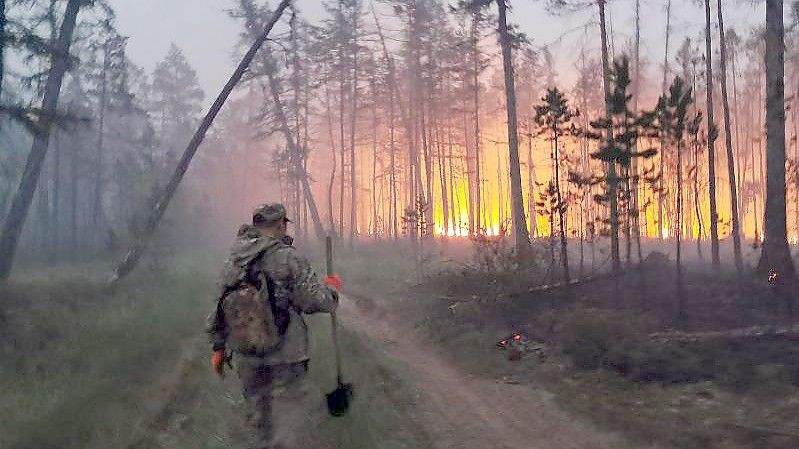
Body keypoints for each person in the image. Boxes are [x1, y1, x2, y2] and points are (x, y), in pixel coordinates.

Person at [206, 203, 341, 449]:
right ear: (280, 224)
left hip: (247, 352)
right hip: (287, 353)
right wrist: (331, 291)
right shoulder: (287, 256)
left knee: (258, 420)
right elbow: (312, 300)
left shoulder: (234, 258)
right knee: (289, 419)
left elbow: (219, 304)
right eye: (283, 225)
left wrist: (218, 347)